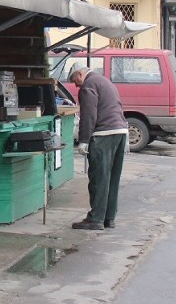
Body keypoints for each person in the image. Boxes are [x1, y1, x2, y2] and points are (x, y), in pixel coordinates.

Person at [68, 62, 128, 230]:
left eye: (74, 80)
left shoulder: (88, 85)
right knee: (112, 178)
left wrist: (83, 140)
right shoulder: (105, 81)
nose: (75, 85)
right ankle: (109, 217)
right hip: (120, 131)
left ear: (80, 74)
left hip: (103, 134)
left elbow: (88, 115)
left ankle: (95, 219)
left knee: (99, 178)